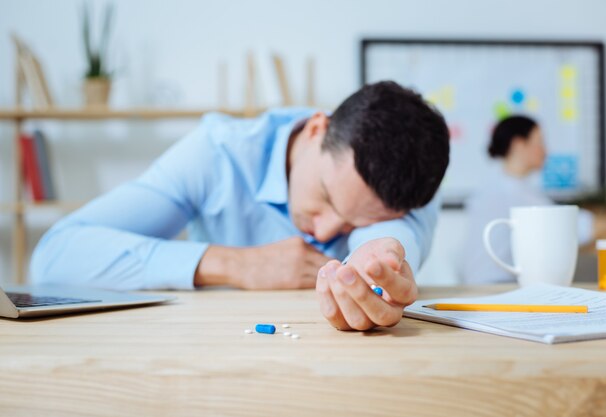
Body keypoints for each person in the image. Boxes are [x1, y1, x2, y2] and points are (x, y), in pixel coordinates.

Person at [31, 81, 450, 331]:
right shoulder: (216, 154)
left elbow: (393, 241)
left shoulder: (413, 180)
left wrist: (375, 259)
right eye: (324, 198)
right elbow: (54, 257)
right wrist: (232, 264)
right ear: (316, 130)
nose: (323, 234)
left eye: (353, 224)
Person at [460, 115, 606, 284]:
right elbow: (572, 226)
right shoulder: (509, 193)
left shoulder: (501, 188)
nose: (546, 151)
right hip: (496, 285)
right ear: (518, 144)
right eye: (540, 142)